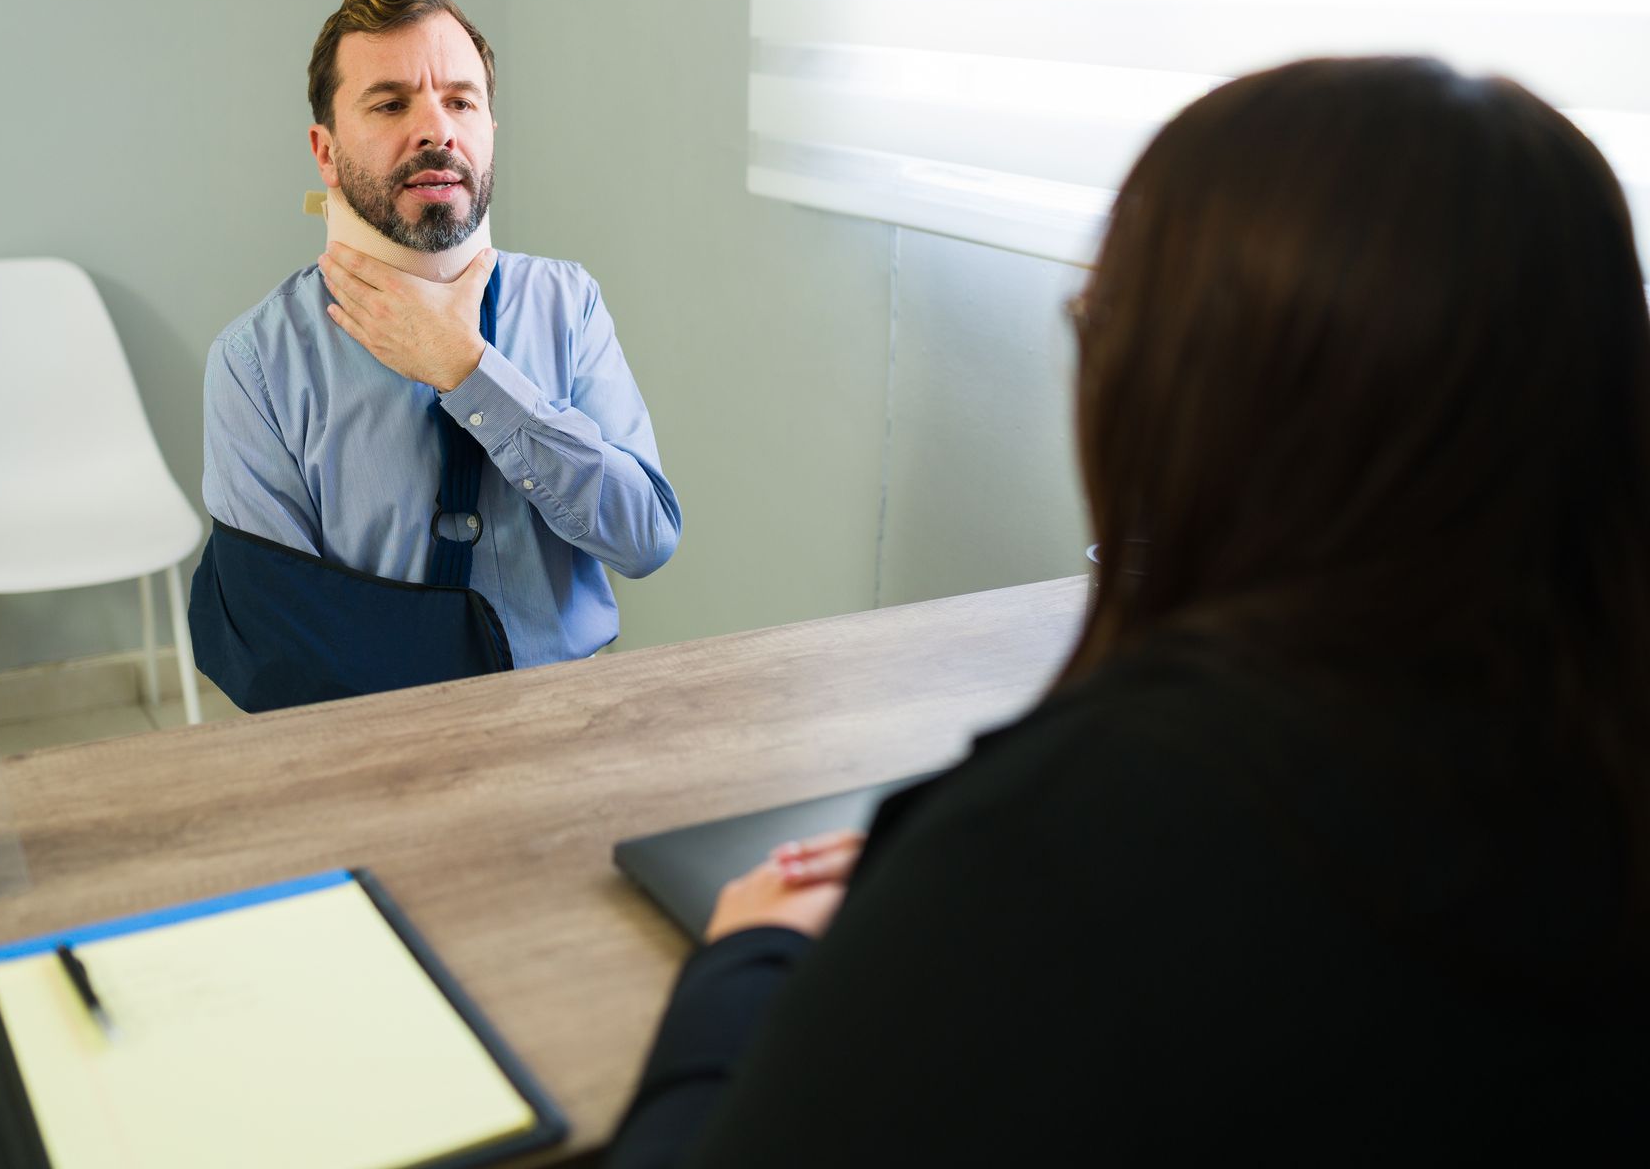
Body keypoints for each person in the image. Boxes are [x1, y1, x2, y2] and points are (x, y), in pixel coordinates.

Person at [608, 57, 1650, 1165]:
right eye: (391, 98)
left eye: (1098, 319)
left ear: (1180, 392)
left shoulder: (1069, 853)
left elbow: (645, 528)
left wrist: (747, 957)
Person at [192, 0, 680, 710]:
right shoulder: (255, 364)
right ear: (325, 153)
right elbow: (281, 645)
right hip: (373, 739)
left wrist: (469, 369)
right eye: (391, 104)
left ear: (488, 129)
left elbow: (645, 539)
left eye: (460, 101)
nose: (436, 130)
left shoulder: (566, 304)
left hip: (572, 713)